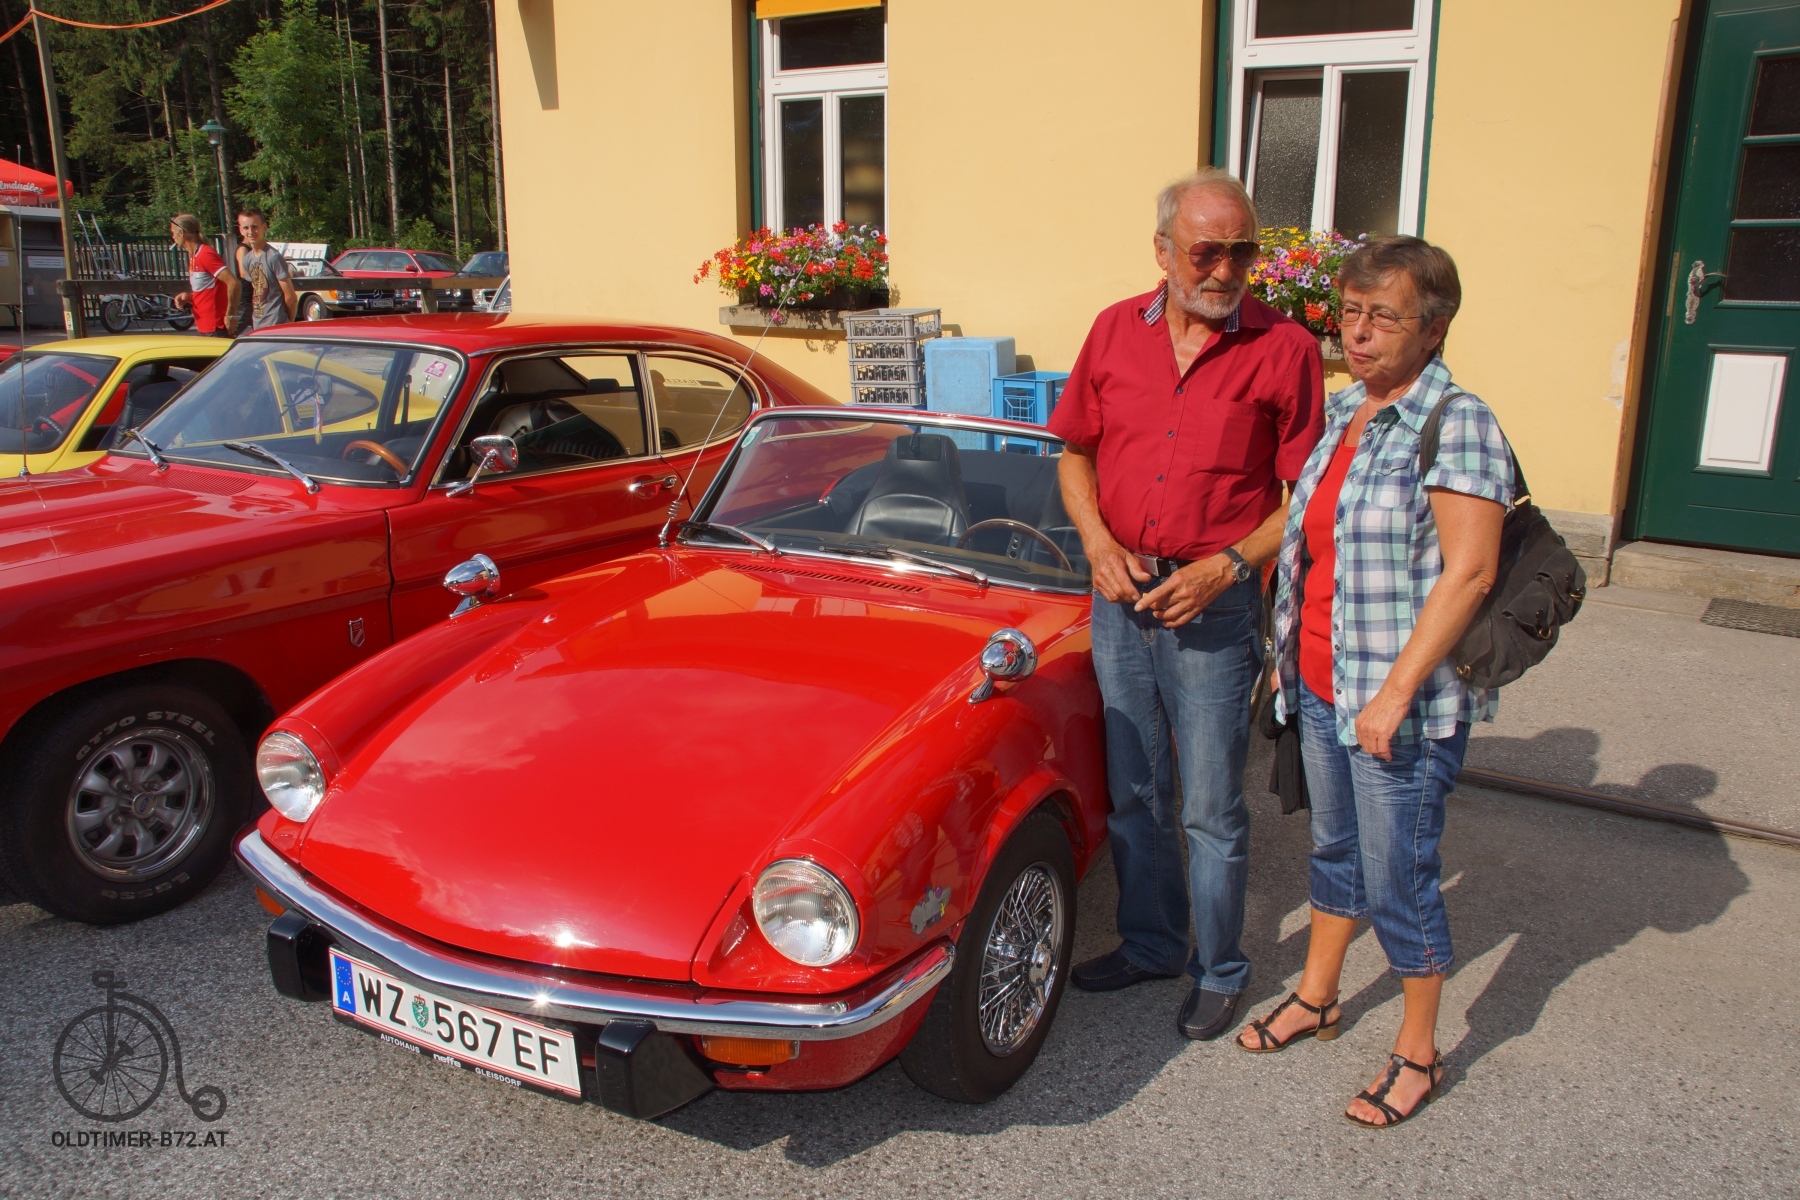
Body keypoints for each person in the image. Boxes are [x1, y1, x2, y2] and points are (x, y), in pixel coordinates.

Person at [1239, 236, 1511, 1129]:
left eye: (1383, 317)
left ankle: (1419, 1050)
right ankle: (1318, 996)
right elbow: (1310, 538)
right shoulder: (1347, 410)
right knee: (1334, 852)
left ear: (1433, 329)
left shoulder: (1457, 421)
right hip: (1321, 682)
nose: (1357, 333)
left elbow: (1471, 573)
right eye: (1350, 313)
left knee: (1401, 878)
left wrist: (1394, 696)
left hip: (1400, 704)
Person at [1047, 168, 1324, 1040]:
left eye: (1244, 251)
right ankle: (1152, 944)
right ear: (1163, 251)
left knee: (1209, 808)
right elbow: (1074, 452)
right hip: (1121, 596)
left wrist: (1227, 569)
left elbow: (1306, 499)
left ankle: (1220, 968)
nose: (1227, 270)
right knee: (1135, 790)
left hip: (1214, 606)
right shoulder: (1112, 330)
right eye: (1208, 252)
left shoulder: (1286, 349)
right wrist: (1097, 544)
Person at [169, 214, 241, 338]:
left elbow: (234, 283)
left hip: (215, 327)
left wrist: (230, 315)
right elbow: (207, 289)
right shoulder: (194, 256)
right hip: (205, 327)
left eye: (173, 233)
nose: (173, 237)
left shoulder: (205, 254)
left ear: (181, 233)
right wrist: (189, 297)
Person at [235, 208, 297, 330]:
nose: (251, 232)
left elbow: (291, 297)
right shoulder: (247, 259)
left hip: (277, 324)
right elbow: (257, 291)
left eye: (255, 227)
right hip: (258, 323)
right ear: (241, 230)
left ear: (264, 227)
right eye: (246, 228)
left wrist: (289, 322)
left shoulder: (273, 257)